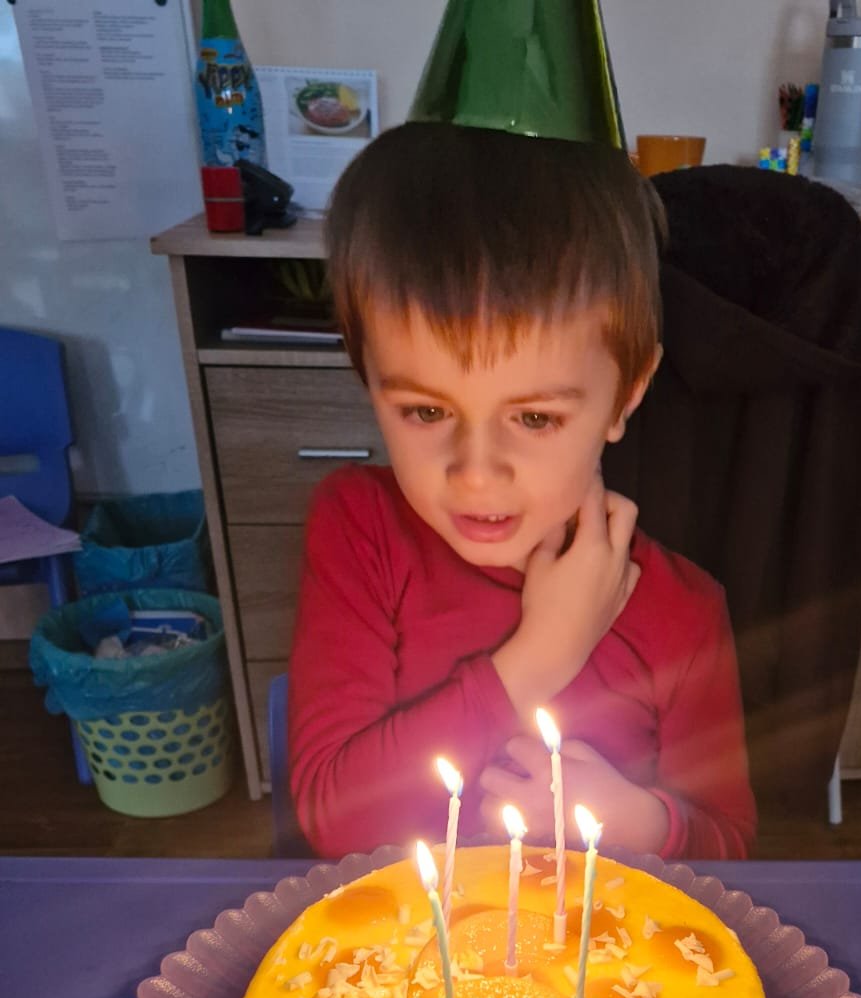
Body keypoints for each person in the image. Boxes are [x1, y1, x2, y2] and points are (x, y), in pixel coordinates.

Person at [288, 121, 755, 861]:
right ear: (367, 377)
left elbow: (727, 847)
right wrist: (541, 656)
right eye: (426, 412)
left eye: (535, 418)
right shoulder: (361, 526)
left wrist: (638, 821)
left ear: (626, 395)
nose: (476, 473)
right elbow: (335, 822)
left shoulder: (684, 614)